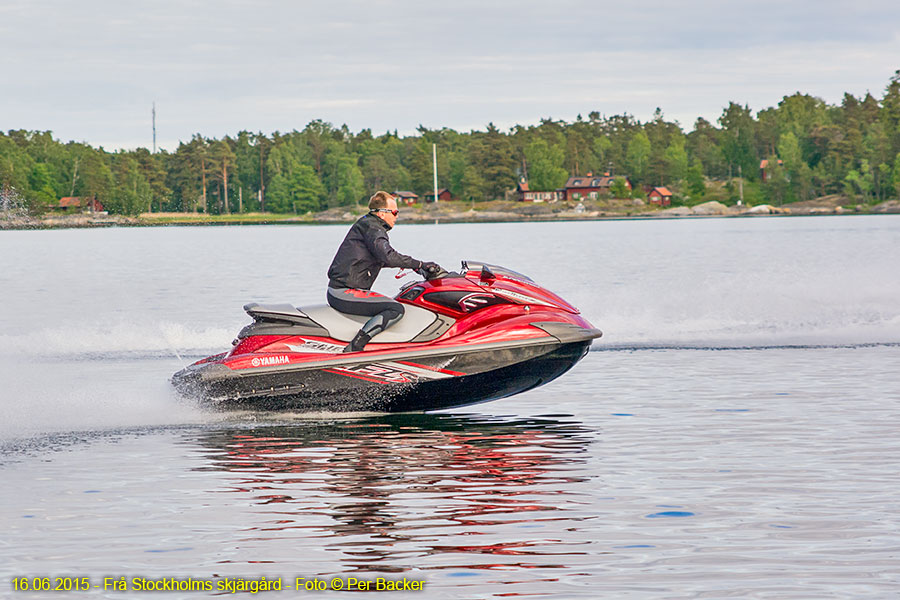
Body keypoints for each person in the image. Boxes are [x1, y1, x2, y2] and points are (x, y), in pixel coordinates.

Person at [327, 191, 441, 353]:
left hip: (344, 290)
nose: (396, 217)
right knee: (396, 309)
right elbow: (388, 256)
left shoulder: (367, 225)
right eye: (395, 212)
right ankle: (355, 348)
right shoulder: (373, 228)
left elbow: (376, 259)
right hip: (343, 292)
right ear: (382, 213)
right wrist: (420, 264)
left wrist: (415, 267)